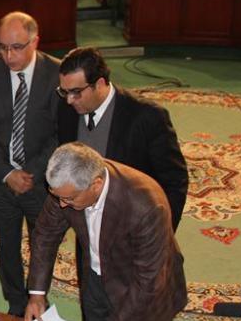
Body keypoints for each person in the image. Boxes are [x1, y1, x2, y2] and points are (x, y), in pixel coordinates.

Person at [25, 143, 187, 321]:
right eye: (57, 197)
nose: (61, 205)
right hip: (98, 278)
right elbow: (45, 234)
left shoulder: (145, 203)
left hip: (143, 293)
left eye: (70, 199)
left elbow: (148, 283)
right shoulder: (67, 187)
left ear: (96, 184)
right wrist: (37, 293)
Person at [0, 11, 60, 317]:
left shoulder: (56, 74)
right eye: (2, 47)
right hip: (0, 179)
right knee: (7, 245)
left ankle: (39, 299)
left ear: (35, 41)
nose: (9, 56)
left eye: (17, 47)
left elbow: (59, 133)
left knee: (42, 245)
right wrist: (8, 173)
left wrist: (30, 173)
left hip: (40, 181)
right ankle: (15, 303)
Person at [56, 47, 188, 231]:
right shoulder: (66, 110)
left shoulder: (147, 116)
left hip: (134, 228)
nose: (69, 99)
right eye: (64, 91)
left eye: (76, 92)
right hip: (87, 229)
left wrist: (162, 232)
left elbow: (174, 180)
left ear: (100, 84)